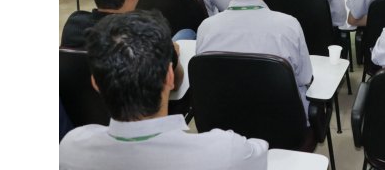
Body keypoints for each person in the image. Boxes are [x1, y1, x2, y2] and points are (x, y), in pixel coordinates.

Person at [60, 11, 268, 170]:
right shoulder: (225, 151)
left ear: (95, 83)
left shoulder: (69, 148)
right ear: (170, 76)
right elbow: (263, 153)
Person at [196, 0, 314, 119]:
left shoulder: (206, 28)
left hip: (224, 120)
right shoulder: (288, 26)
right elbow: (305, 78)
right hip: (282, 124)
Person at [60, 0, 188, 83]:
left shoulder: (73, 25)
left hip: (84, 101)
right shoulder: (150, 33)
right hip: (143, 101)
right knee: (187, 33)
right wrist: (172, 53)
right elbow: (175, 82)